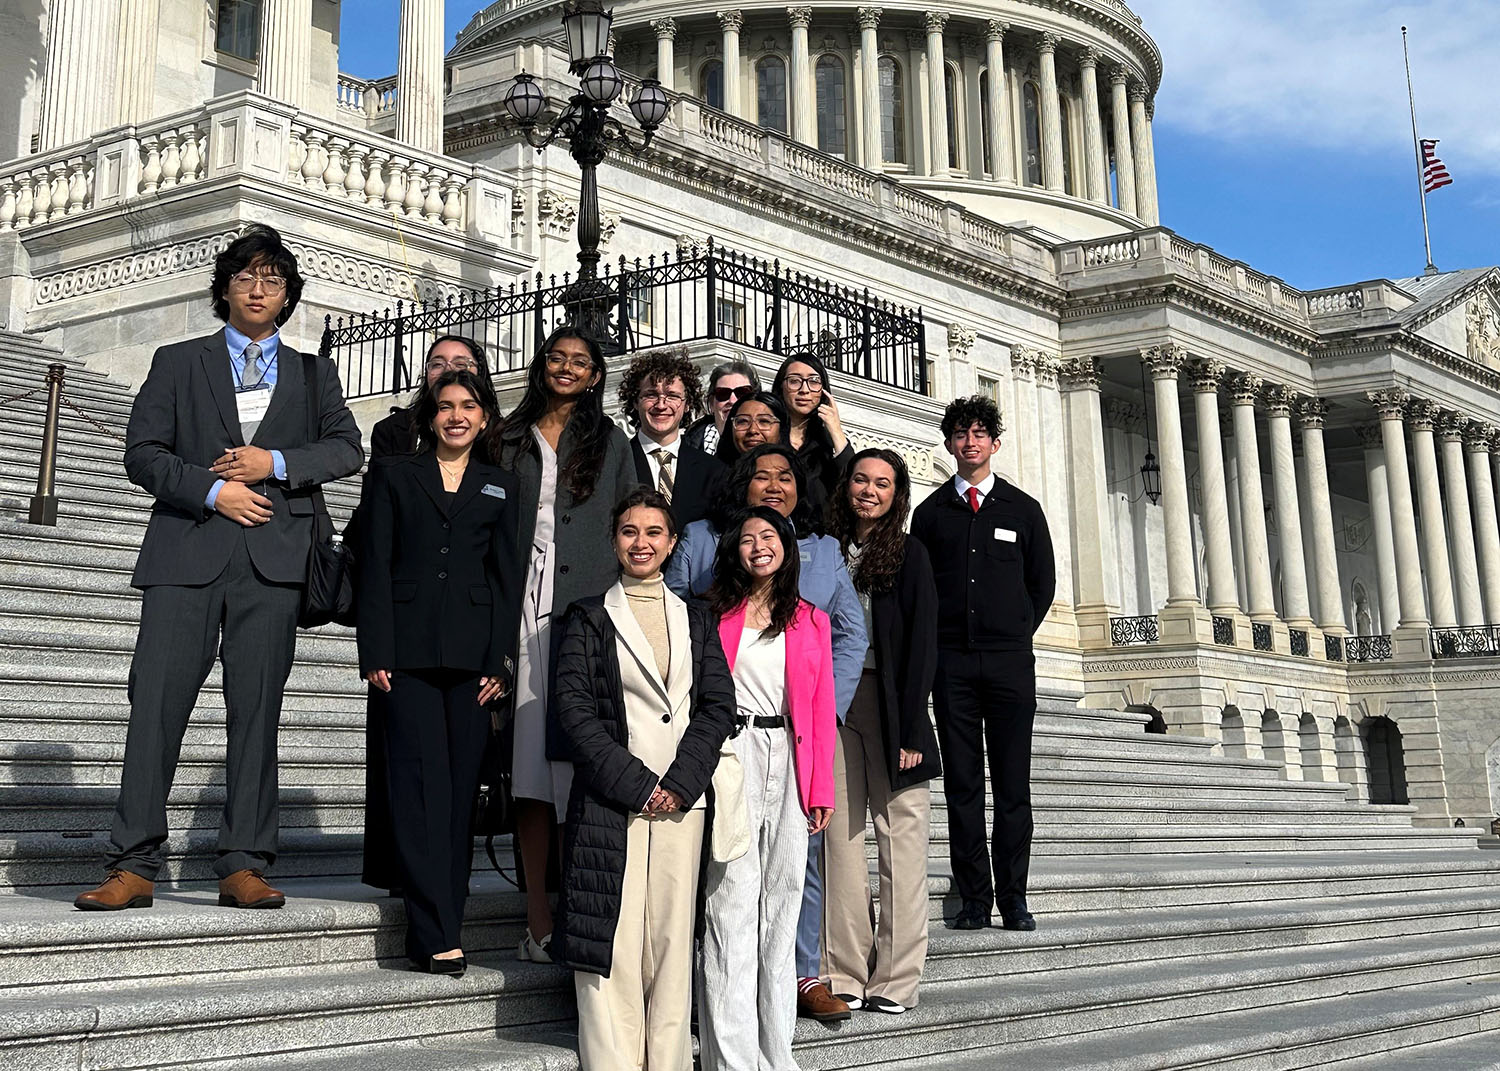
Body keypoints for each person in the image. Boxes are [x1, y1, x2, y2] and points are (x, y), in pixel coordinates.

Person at [74, 224, 363, 912]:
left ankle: (243, 861)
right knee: (155, 707)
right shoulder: (178, 361)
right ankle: (134, 862)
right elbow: (142, 451)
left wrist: (275, 464)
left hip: (273, 564)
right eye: (244, 277)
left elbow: (346, 448)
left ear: (288, 295)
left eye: (272, 279)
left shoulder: (313, 373)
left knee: (257, 713)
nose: (258, 288)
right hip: (186, 554)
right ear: (224, 289)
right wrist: (212, 489)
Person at [665, 443, 865, 1021]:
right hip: (728, 743)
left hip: (796, 739)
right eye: (762, 475)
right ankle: (716, 1006)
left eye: (786, 476)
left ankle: (795, 987)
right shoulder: (711, 575)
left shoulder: (822, 564)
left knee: (789, 881)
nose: (774, 484)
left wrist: (818, 721)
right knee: (727, 881)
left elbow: (848, 638)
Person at [551, 489, 737, 1071]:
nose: (642, 543)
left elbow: (716, 705)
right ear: (614, 541)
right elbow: (575, 711)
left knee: (672, 947)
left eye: (654, 532)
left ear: (672, 542)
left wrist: (680, 784)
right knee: (613, 945)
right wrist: (638, 786)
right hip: (614, 802)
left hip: (682, 805)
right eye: (630, 531)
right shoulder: (587, 616)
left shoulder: (697, 617)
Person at [357, 369, 520, 974]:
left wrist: (501, 658)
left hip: (474, 660)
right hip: (406, 656)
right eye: (445, 406)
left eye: (468, 406)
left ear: (484, 418)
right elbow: (374, 563)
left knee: (455, 798)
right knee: (418, 791)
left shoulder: (500, 484)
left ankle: (439, 925)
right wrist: (374, 648)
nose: (456, 416)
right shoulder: (396, 474)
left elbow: (508, 578)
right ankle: (434, 930)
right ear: (430, 417)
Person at [498, 325, 636, 963]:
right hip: (521, 599)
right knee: (530, 769)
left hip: (587, 610)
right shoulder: (506, 436)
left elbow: (630, 520)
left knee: (577, 765)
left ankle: (581, 908)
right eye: (557, 357)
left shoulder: (611, 443)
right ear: (541, 364)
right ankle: (538, 918)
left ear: (596, 376)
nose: (567, 368)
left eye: (580, 362)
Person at [698, 507, 837, 1071]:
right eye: (749, 538)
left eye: (770, 536)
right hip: (732, 755)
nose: (759, 545)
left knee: (782, 906)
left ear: (786, 547)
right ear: (734, 550)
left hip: (791, 759)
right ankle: (730, 1059)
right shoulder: (712, 614)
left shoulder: (811, 619)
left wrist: (819, 786)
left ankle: (777, 1055)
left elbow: (822, 706)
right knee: (730, 903)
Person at [911, 395, 1054, 932]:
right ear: (949, 443)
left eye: (979, 433)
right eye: (960, 433)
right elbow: (921, 590)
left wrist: (1012, 631)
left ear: (995, 443)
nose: (970, 442)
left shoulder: (1022, 510)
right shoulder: (930, 515)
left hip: (1008, 664)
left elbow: (1041, 585)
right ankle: (974, 896)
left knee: (1013, 783)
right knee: (963, 784)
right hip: (952, 665)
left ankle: (1013, 896)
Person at [359, 334, 489, 896]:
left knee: (457, 770)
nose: (449, 372)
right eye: (439, 364)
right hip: (409, 621)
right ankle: (401, 871)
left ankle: (445, 877)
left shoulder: (494, 457)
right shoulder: (394, 436)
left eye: (462, 367)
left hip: (466, 626)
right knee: (405, 762)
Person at [823, 449, 940, 1014]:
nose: (870, 491)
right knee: (840, 841)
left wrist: (914, 727)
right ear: (847, 486)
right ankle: (844, 968)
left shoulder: (910, 554)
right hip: (833, 704)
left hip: (894, 709)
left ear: (897, 496)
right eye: (862, 480)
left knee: (901, 842)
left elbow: (923, 644)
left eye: (883, 484)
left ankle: (896, 978)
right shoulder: (823, 551)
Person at [618, 347, 725, 529]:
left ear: (687, 404)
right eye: (651, 395)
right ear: (635, 401)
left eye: (672, 396)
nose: (661, 405)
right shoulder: (616, 464)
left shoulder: (713, 471)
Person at [772, 352, 853, 515]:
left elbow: (851, 481)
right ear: (781, 386)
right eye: (794, 381)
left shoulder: (828, 443)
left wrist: (836, 429)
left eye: (813, 381)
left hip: (818, 534)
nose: (804, 390)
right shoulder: (768, 433)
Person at [684, 359, 760, 455]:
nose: (732, 401)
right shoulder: (686, 447)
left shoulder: (769, 444)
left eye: (742, 393)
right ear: (711, 404)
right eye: (723, 393)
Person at [713, 391, 789, 467]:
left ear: (781, 429)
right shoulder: (712, 474)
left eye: (764, 421)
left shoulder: (796, 475)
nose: (753, 430)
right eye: (743, 421)